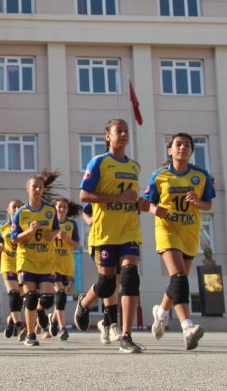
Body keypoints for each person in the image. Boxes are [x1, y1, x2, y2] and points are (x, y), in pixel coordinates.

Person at [74, 119, 150, 353]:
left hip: (129, 231)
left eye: (127, 131)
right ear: (108, 136)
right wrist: (118, 199)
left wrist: (140, 204)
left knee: (129, 279)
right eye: (119, 131)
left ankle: (126, 335)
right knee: (107, 286)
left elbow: (132, 199)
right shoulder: (98, 163)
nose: (124, 134)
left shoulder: (134, 167)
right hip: (105, 233)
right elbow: (84, 195)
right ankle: (85, 303)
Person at [145, 133, 215, 350]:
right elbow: (147, 204)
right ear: (170, 150)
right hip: (167, 230)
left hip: (189, 233)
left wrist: (198, 201)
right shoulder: (159, 176)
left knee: (178, 281)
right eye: (178, 144)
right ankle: (187, 327)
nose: (182, 147)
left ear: (191, 151)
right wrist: (157, 210)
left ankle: (161, 313)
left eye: (187, 145)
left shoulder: (201, 176)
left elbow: (208, 205)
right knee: (179, 277)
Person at [10, 170, 61, 346]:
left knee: (47, 298)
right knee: (30, 297)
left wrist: (52, 234)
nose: (38, 189)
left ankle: (41, 311)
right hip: (27, 259)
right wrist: (29, 231)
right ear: (28, 189)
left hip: (46, 259)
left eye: (40, 187)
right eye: (34, 186)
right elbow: (14, 238)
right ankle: (31, 334)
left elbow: (57, 229)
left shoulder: (50, 210)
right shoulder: (22, 213)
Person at [82, 203, 121, 345]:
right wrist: (88, 219)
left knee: (116, 283)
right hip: (102, 240)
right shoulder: (104, 186)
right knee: (108, 282)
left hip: (122, 240)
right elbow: (86, 210)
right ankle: (113, 324)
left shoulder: (129, 185)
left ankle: (105, 324)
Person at [50, 197, 82, 341]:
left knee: (62, 297)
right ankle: (62, 328)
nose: (61, 209)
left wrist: (65, 238)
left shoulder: (71, 225)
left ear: (67, 210)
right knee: (61, 294)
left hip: (67, 264)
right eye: (59, 206)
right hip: (53, 264)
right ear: (55, 208)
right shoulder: (51, 224)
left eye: (64, 207)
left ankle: (54, 319)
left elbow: (76, 244)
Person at [0, 199, 26, 340]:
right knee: (13, 294)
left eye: (19, 207)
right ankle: (19, 326)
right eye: (14, 207)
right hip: (8, 263)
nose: (16, 209)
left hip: (22, 264)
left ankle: (11, 321)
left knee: (21, 298)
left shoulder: (26, 226)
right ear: (8, 210)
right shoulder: (2, 227)